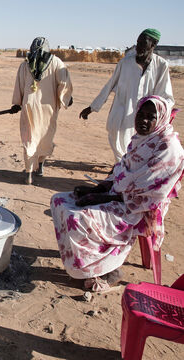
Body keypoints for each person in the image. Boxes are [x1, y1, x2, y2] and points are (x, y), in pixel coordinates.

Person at [51, 96, 184, 292]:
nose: (143, 120)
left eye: (150, 117)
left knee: (77, 216)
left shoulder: (169, 149)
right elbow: (120, 170)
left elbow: (150, 193)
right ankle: (81, 259)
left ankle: (108, 269)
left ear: (161, 119)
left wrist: (104, 198)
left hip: (138, 207)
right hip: (117, 194)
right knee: (59, 200)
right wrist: (98, 188)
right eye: (141, 114)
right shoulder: (141, 139)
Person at [79, 29, 174, 161]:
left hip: (144, 117)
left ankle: (126, 169)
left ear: (153, 44)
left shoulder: (161, 66)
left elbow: (165, 96)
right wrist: (92, 108)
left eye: (143, 43)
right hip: (121, 112)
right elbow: (109, 86)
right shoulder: (125, 63)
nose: (138, 46)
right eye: (137, 42)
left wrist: (161, 115)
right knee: (117, 139)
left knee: (140, 146)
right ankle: (121, 167)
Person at [11, 37, 73, 185]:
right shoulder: (56, 63)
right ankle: (40, 167)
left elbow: (19, 86)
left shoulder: (25, 65)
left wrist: (16, 103)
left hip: (29, 107)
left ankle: (29, 173)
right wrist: (66, 99)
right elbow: (63, 85)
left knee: (29, 139)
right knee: (45, 138)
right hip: (48, 108)